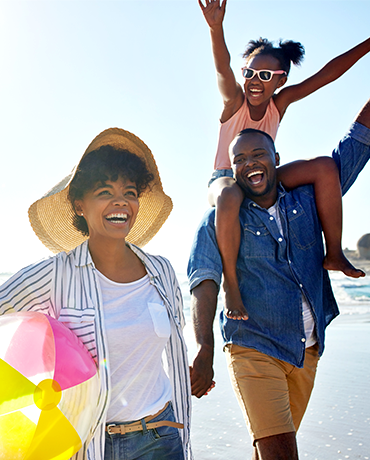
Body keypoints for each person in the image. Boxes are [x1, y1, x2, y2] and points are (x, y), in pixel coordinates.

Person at [187, 96, 370, 459]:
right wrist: (204, 346)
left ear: (276, 159)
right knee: (281, 451)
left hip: (307, 351)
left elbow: (356, 146)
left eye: (258, 154)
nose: (249, 163)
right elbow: (204, 280)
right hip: (252, 347)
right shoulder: (220, 221)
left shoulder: (311, 199)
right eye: (239, 159)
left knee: (270, 449)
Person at [0, 128, 192, 460]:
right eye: (105, 191)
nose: (120, 201)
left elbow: (172, 343)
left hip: (162, 435)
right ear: (80, 204)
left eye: (129, 192)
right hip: (96, 445)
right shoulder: (55, 274)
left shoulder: (161, 271)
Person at [199, 0, 370, 320]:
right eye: (248, 72)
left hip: (265, 174)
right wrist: (216, 29)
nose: (253, 80)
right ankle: (231, 286)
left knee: (324, 166)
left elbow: (326, 76)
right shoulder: (235, 101)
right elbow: (222, 68)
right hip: (227, 175)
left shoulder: (281, 102)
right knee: (227, 195)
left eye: (264, 75)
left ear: (280, 80)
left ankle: (333, 253)